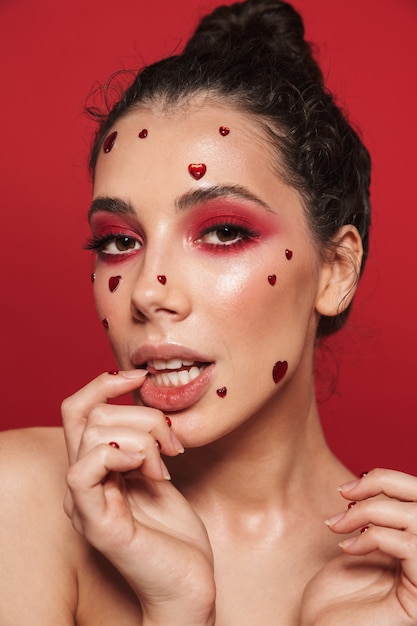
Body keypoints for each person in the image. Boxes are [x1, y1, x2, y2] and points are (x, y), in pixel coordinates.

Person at [1, 0, 416, 624]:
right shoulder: (21, 501)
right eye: (119, 241)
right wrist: (175, 607)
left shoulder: (400, 579)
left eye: (222, 232)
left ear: (335, 271)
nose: (146, 292)